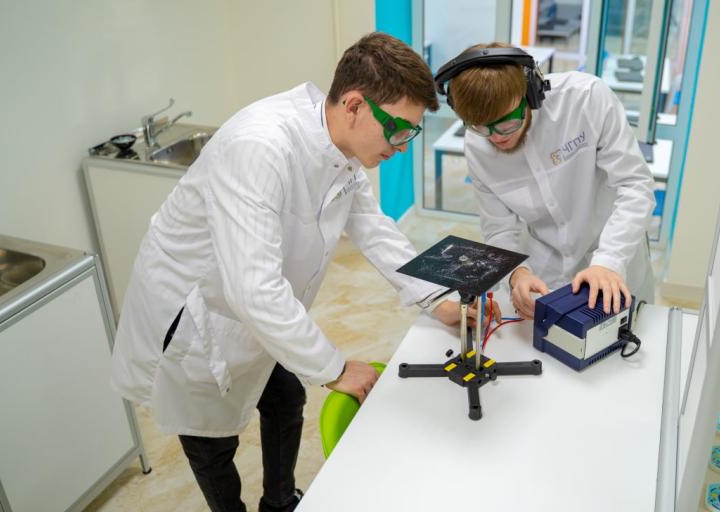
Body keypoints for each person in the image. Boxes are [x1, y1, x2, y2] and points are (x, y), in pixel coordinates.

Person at [111, 33, 485, 512]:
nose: (402, 146)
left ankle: (280, 502)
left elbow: (373, 228)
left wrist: (439, 299)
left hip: (253, 310)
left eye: (410, 133)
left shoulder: (338, 149)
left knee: (286, 397)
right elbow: (253, 289)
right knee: (211, 443)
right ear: (355, 105)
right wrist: (335, 368)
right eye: (398, 130)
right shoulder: (260, 147)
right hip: (196, 316)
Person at [434, 43, 656, 319]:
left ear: (531, 94)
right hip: (545, 271)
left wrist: (609, 261)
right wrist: (517, 273)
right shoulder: (477, 146)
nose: (497, 137)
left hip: (614, 257)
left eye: (507, 123)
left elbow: (635, 186)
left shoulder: (585, 99)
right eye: (481, 127)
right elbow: (499, 229)